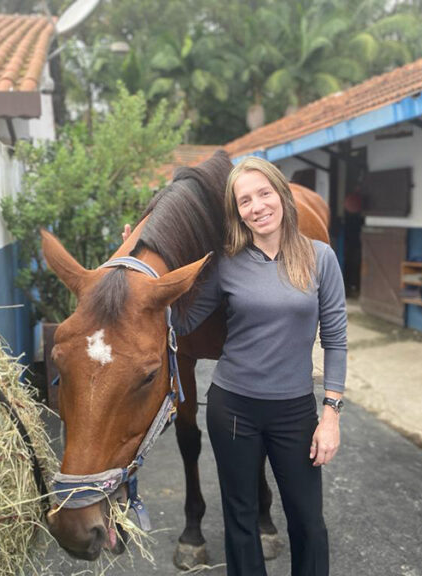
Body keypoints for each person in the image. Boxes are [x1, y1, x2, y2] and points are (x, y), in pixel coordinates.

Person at [125, 156, 347, 576]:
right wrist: (143, 280)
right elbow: (183, 322)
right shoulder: (226, 263)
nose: (257, 206)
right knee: (240, 521)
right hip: (233, 408)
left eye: (264, 193)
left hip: (295, 409)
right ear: (237, 212)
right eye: (245, 200)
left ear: (281, 194)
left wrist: (331, 414)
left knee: (308, 522)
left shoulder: (320, 258)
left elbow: (335, 340)